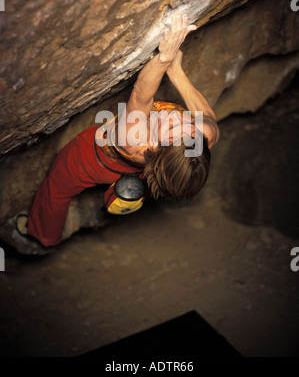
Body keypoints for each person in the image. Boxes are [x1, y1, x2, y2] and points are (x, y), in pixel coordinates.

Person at [15, 13, 220, 250]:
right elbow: (206, 115)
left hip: (97, 159)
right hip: (154, 168)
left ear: (153, 146)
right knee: (158, 168)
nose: (178, 117)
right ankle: (132, 190)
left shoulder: (132, 139)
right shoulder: (203, 135)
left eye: (172, 127)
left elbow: (141, 95)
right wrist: (176, 72)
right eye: (190, 126)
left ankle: (42, 237)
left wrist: (165, 58)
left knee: (58, 187)